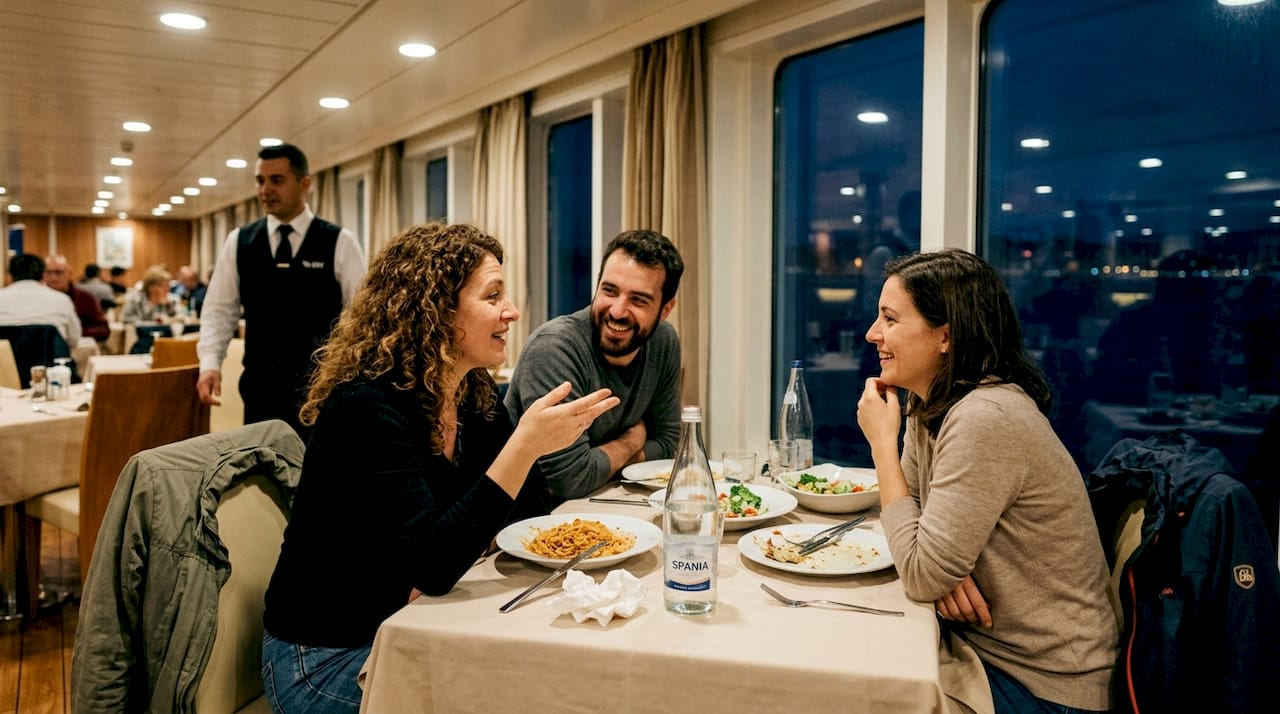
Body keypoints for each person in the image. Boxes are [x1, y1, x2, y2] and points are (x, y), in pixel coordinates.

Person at [260, 222, 619, 713]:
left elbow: (529, 517)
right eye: (493, 296)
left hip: (414, 623)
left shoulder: (473, 397)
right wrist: (523, 448)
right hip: (328, 655)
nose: (511, 312)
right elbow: (433, 565)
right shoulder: (365, 409)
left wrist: (523, 456)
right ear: (437, 311)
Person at [855, 249, 1117, 713]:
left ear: (946, 336)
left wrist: (881, 445)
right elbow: (915, 520)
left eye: (890, 319)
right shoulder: (933, 402)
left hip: (1045, 684)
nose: (873, 334)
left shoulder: (985, 417)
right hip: (985, 650)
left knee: (854, 694)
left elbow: (919, 570)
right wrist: (939, 573)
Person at [197, 142, 366, 438]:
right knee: (263, 473)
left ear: (305, 184)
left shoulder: (339, 241)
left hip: (322, 389)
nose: (265, 189)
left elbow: (361, 317)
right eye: (260, 181)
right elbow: (218, 311)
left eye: (276, 180)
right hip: (260, 387)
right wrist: (210, 363)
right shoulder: (240, 241)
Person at [504, 229, 684, 502]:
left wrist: (599, 461)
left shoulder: (663, 341)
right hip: (534, 517)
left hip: (605, 502)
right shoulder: (554, 348)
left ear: (665, 310)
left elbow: (670, 444)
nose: (617, 311)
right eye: (609, 291)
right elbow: (570, 480)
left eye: (638, 300)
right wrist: (633, 440)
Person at [0, 254, 82, 345]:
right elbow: (74, 339)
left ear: (9, 275)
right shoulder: (62, 300)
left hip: (3, 358)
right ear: (42, 274)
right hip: (50, 357)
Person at [43, 255, 109, 342]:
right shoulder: (37, 299)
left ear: (69, 273)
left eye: (58, 272)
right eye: (48, 273)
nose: (53, 278)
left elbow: (103, 329)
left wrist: (73, 332)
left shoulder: (87, 298)